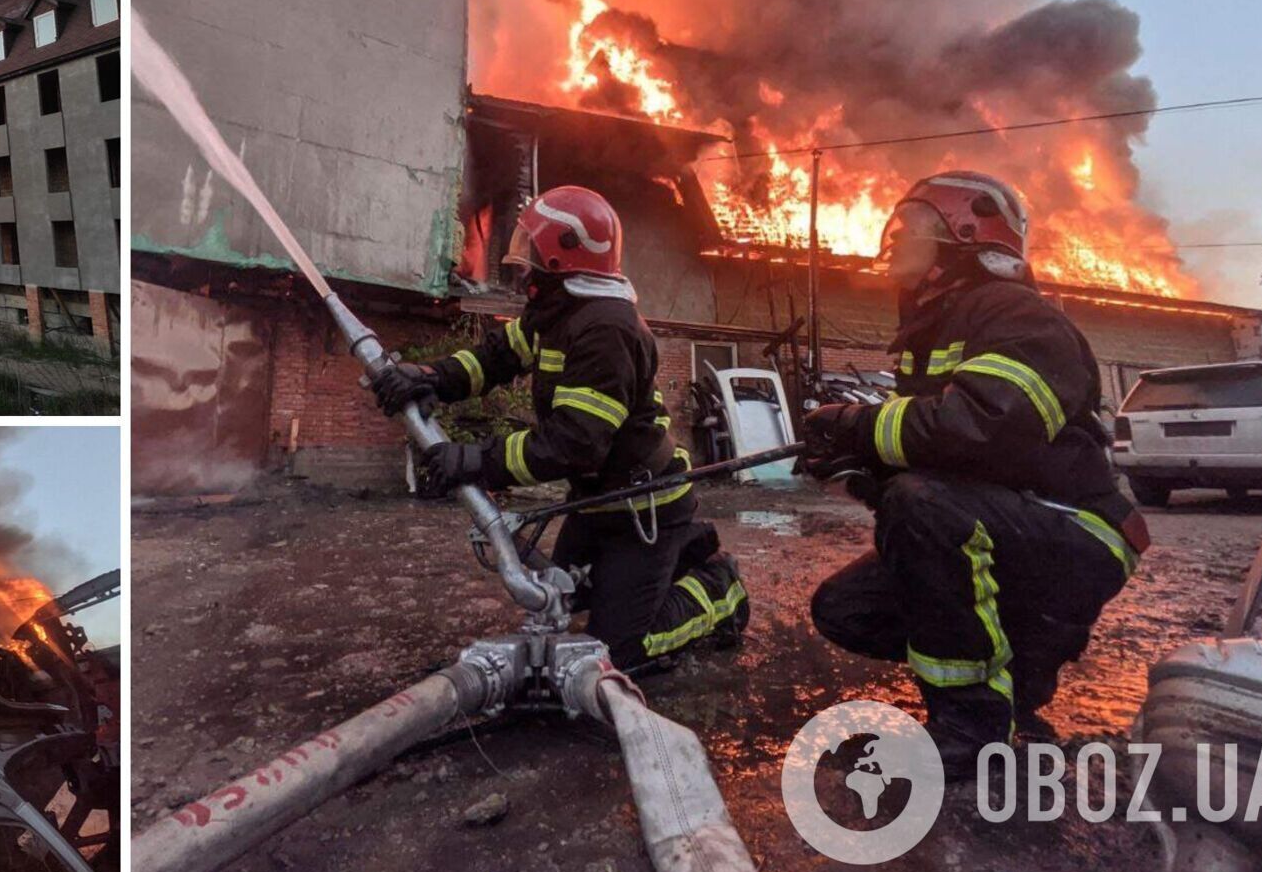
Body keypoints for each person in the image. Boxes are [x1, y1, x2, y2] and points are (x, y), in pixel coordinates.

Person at [801, 171, 1149, 774]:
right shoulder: (935, 329)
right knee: (847, 607)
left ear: (963, 238)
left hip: (1082, 532)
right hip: (1026, 522)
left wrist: (862, 427)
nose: (895, 242)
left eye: (912, 230)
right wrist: (856, 467)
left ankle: (974, 734)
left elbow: (985, 427)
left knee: (921, 508)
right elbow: (952, 472)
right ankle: (1015, 683)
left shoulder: (1017, 315)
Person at [373, 185, 748, 670]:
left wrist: (473, 460)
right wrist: (429, 379)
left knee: (619, 654)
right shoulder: (556, 312)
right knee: (564, 597)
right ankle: (677, 561)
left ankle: (719, 590)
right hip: (596, 503)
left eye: (531, 250)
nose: (520, 262)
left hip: (642, 510)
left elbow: (573, 446)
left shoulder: (606, 329)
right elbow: (496, 358)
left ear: (563, 256)